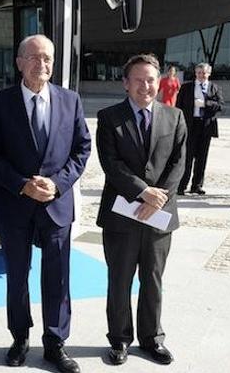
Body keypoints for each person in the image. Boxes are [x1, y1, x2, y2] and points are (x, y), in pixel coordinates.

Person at [0, 34, 91, 373]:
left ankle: (55, 343)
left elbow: (82, 149)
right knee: (17, 274)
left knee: (57, 277)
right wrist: (22, 185)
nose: (42, 64)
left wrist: (57, 185)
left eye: (48, 59)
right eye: (35, 57)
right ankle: (19, 337)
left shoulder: (70, 100)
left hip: (56, 205)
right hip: (15, 205)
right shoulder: (0, 103)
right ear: (19, 62)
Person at [95, 53, 187, 366]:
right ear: (125, 83)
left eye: (150, 80)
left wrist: (158, 197)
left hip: (160, 218)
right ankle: (119, 340)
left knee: (153, 279)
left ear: (159, 82)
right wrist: (143, 192)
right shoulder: (109, 118)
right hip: (121, 216)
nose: (145, 86)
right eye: (138, 80)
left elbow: (178, 163)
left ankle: (152, 339)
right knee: (119, 280)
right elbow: (111, 163)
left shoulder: (174, 117)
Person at [175, 63, 224, 195]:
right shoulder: (186, 87)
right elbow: (178, 106)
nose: (201, 75)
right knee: (187, 157)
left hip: (206, 126)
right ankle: (181, 185)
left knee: (202, 158)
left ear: (209, 74)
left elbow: (220, 105)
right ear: (195, 73)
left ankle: (197, 185)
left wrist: (205, 104)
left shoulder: (214, 88)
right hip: (190, 125)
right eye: (199, 73)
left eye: (204, 73)